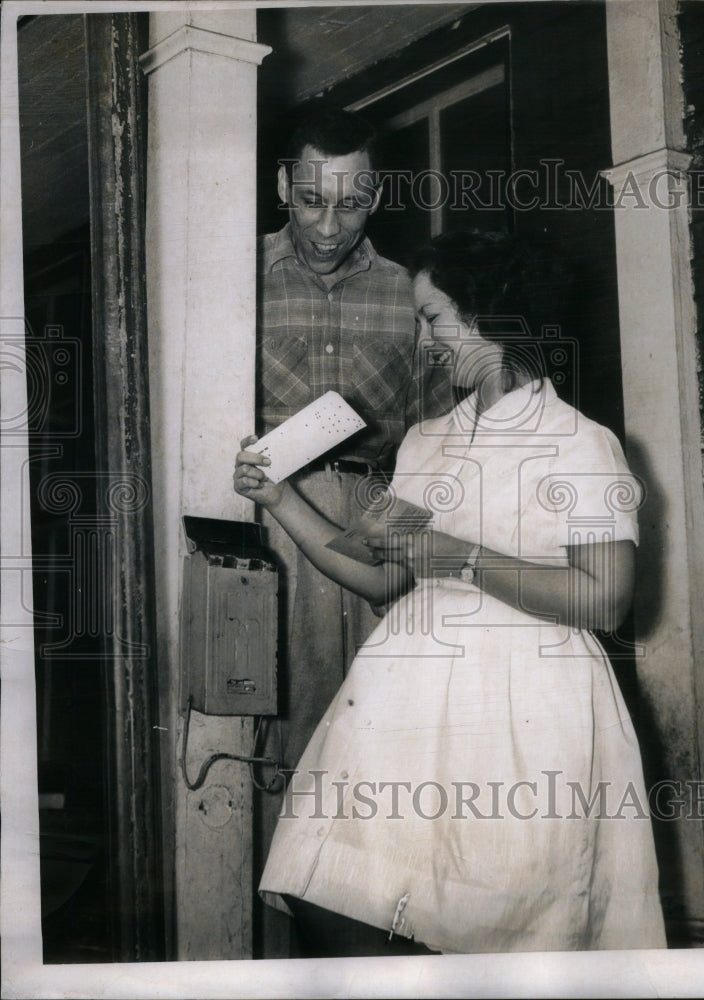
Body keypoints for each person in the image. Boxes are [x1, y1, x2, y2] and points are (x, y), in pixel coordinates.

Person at [236, 230, 667, 955]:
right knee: (333, 900)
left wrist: (459, 556)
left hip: (523, 704)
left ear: (488, 318)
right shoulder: (425, 440)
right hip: (402, 698)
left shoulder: (580, 443)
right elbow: (381, 576)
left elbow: (604, 599)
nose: (423, 336)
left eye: (433, 316)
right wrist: (280, 501)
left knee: (498, 927)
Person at [256, 107, 453, 774]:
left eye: (352, 203)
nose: (328, 226)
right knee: (276, 720)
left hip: (379, 512)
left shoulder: (411, 294)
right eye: (311, 200)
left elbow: (435, 435)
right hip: (266, 513)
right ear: (283, 186)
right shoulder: (231, 280)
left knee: (380, 722)